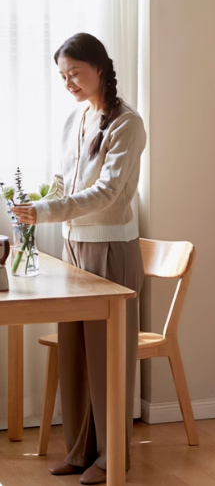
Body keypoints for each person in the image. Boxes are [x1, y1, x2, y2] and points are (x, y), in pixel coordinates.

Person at [13, 32, 147, 485]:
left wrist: (46, 211)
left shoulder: (128, 123)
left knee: (108, 358)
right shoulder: (75, 119)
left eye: (75, 73)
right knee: (74, 351)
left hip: (112, 248)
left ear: (100, 68)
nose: (68, 82)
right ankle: (79, 449)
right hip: (74, 246)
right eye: (62, 75)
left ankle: (113, 458)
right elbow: (65, 181)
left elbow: (108, 193)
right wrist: (40, 200)